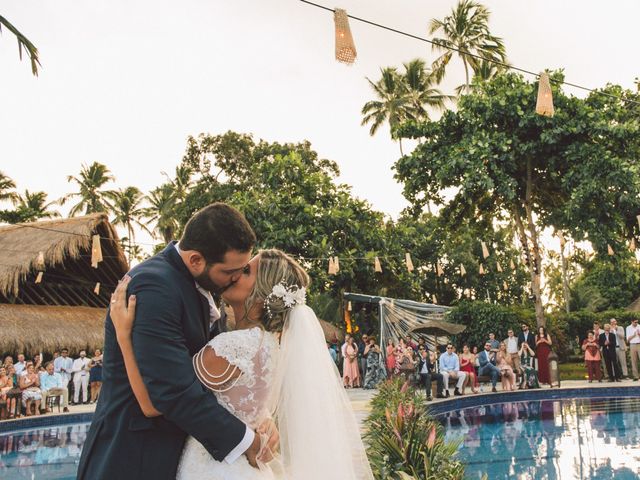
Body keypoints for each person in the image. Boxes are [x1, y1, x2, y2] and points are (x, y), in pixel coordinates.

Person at [110, 248, 374, 479]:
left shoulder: (231, 348)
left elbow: (155, 402)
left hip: (215, 467)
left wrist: (123, 337)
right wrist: (265, 419)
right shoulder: (271, 344)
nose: (235, 273)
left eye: (246, 271)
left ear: (260, 295)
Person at [78, 203, 267, 479]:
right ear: (195, 260)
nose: (236, 278)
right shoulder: (154, 286)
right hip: (134, 456)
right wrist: (246, 440)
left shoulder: (201, 283)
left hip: (175, 451)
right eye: (230, 271)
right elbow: (170, 391)